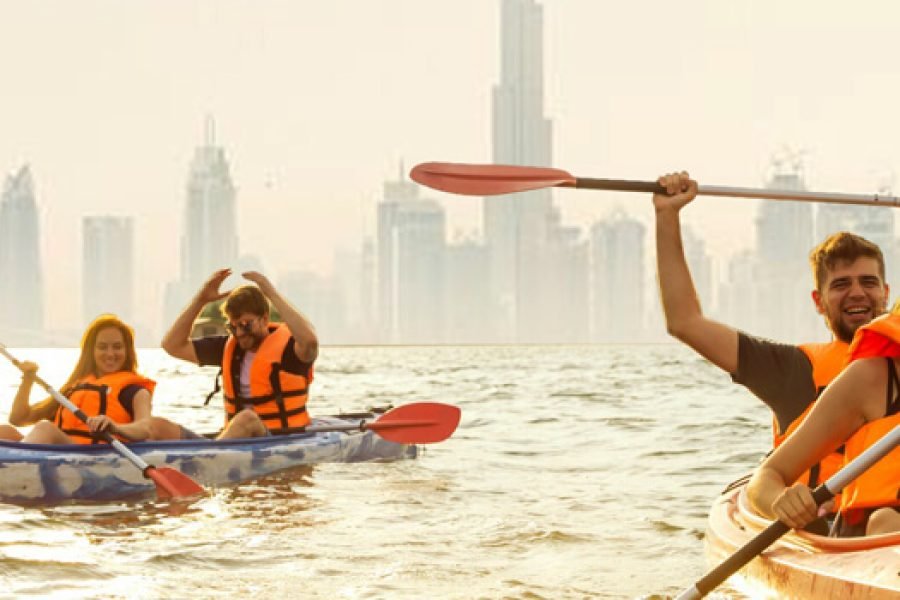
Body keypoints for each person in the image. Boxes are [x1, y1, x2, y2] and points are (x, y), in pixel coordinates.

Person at [654, 172, 890, 492]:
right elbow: (685, 321)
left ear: (886, 293)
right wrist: (667, 215)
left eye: (868, 282)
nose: (858, 293)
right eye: (841, 284)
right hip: (819, 523)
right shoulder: (790, 368)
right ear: (818, 302)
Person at [747, 306, 900, 537]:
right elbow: (765, 478)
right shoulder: (871, 379)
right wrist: (781, 502)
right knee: (887, 521)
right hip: (872, 543)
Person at [161, 269, 318, 439]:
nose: (240, 333)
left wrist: (270, 293)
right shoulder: (229, 348)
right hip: (235, 441)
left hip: (280, 437)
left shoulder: (290, 351)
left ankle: (211, 457)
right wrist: (200, 301)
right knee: (158, 426)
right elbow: (172, 345)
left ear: (264, 319)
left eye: (246, 325)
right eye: (233, 327)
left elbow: (310, 341)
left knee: (247, 418)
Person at [2, 314, 186, 444]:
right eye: (102, 347)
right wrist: (27, 381)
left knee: (45, 429)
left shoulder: (135, 391)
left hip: (94, 454)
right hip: (63, 452)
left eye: (117, 347)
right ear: (91, 351)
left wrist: (115, 427)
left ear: (127, 350)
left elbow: (145, 428)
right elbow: (19, 418)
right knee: (5, 431)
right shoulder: (75, 388)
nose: (110, 354)